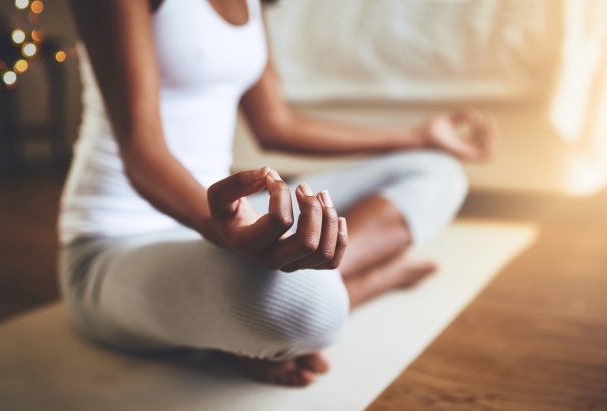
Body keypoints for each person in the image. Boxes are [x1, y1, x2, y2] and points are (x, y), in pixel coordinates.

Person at [60, 0, 497, 387]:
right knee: (313, 309)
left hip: (222, 219)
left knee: (435, 170)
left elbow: (278, 125)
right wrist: (224, 230)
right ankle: (365, 279)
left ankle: (284, 301)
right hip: (115, 245)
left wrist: (418, 136)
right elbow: (143, 154)